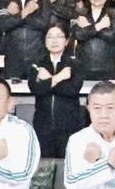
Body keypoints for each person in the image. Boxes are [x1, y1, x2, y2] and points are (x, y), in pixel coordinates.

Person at [29, 22, 85, 158]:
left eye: (59, 36)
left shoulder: (75, 65)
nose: (54, 41)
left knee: (67, 166)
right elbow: (36, 89)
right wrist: (58, 78)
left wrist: (48, 81)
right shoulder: (37, 64)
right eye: (49, 37)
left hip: (69, 126)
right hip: (43, 126)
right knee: (44, 167)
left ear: (66, 41)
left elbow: (72, 90)